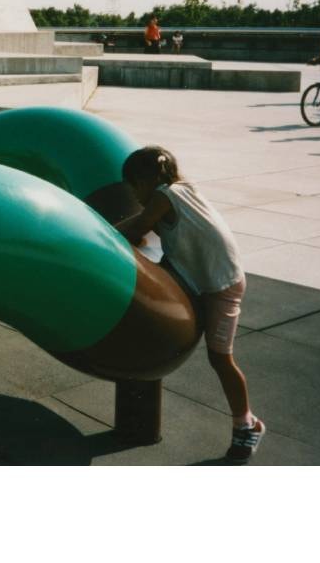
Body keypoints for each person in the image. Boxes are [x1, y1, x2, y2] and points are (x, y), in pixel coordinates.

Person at [111, 146, 263, 462]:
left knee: (221, 358)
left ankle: (247, 423)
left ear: (147, 180)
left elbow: (139, 227)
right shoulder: (178, 192)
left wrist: (104, 233)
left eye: (135, 187)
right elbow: (143, 227)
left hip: (222, 286)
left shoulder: (167, 195)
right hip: (201, 278)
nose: (136, 196)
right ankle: (245, 423)